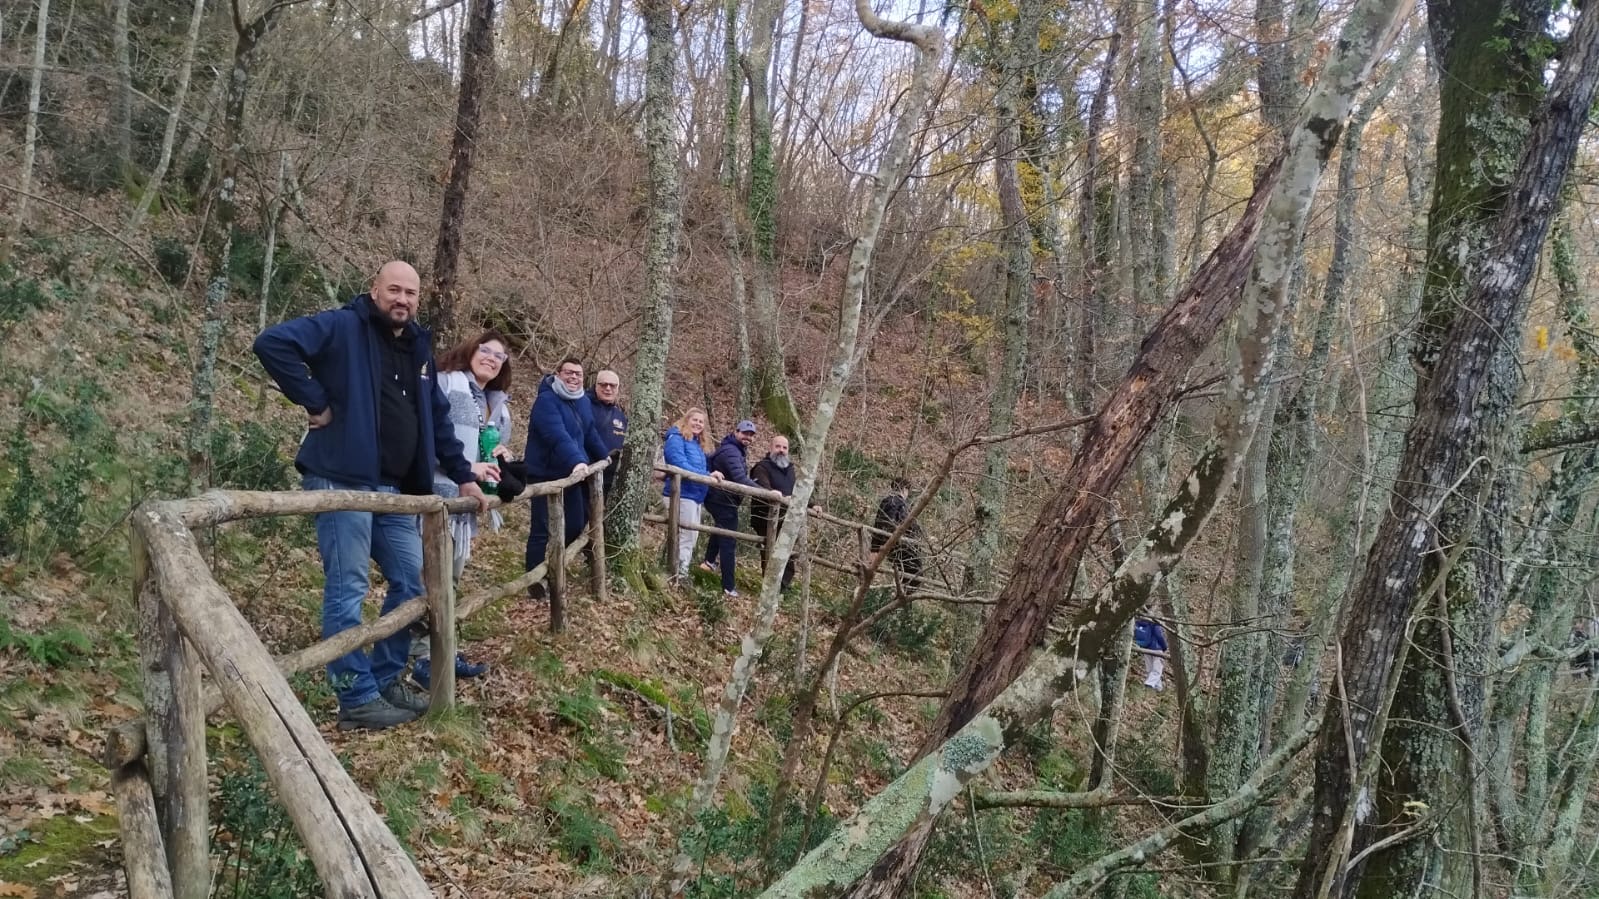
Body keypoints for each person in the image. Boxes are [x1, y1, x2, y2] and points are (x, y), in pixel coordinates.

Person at [252, 260, 487, 731]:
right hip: (342, 480)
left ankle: (382, 680)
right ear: (375, 289)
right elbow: (272, 343)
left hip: (396, 491)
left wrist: (463, 475)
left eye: (411, 293)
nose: (403, 300)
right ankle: (355, 697)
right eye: (394, 290)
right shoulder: (343, 327)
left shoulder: (417, 346)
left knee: (415, 582)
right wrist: (315, 401)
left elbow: (437, 418)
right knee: (349, 587)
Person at [412, 330, 519, 689]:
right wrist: (466, 467)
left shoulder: (496, 404)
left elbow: (491, 451)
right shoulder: (446, 383)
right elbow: (427, 436)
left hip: (466, 507)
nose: (491, 358)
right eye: (485, 350)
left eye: (499, 356)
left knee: (451, 580)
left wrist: (502, 457)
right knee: (430, 579)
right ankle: (422, 657)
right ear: (470, 350)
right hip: (438, 495)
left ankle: (444, 650)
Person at [524, 356, 609, 598]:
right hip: (545, 474)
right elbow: (556, 435)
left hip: (571, 476)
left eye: (578, 374)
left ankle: (555, 566)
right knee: (541, 529)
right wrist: (577, 461)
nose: (573, 377)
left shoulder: (582, 401)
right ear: (558, 375)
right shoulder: (546, 401)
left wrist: (605, 456)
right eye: (569, 372)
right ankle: (534, 580)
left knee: (575, 523)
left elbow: (589, 432)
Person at [701, 420, 782, 598]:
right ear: (736, 432)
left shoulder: (735, 450)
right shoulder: (731, 452)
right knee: (729, 540)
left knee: (721, 528)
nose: (748, 437)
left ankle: (709, 562)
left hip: (722, 498)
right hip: (721, 498)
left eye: (751, 435)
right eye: (745, 433)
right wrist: (767, 493)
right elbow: (739, 478)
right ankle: (728, 587)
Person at [661, 407, 719, 582]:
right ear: (686, 420)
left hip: (695, 495)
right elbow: (678, 463)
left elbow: (699, 466)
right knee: (685, 535)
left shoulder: (696, 444)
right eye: (695, 420)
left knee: (691, 536)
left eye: (701, 422)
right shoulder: (676, 438)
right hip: (681, 493)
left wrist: (709, 475)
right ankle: (678, 575)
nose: (698, 424)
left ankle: (680, 571)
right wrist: (706, 476)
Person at [749, 435, 796, 592]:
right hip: (765, 517)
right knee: (770, 551)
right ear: (771, 448)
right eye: (778, 446)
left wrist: (813, 504)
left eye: (784, 447)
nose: (781, 450)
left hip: (787, 518)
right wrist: (773, 494)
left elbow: (797, 491)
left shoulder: (790, 470)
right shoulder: (762, 467)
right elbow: (762, 486)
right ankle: (769, 587)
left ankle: (783, 587)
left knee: (788, 553)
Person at [872, 477, 925, 590]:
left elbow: (878, 524)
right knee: (915, 573)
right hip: (900, 544)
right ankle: (904, 595)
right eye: (908, 490)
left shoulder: (886, 502)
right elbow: (894, 523)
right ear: (904, 489)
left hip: (891, 544)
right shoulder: (897, 502)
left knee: (906, 572)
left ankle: (901, 592)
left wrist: (874, 548)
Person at [587, 369, 628, 498]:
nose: (608, 388)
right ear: (596, 385)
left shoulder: (620, 415)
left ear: (618, 388)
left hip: (613, 478)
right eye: (603, 384)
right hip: (589, 474)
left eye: (612, 385)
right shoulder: (585, 406)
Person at [1133, 615, 1168, 690]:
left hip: (1145, 648)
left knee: (1150, 669)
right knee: (1157, 669)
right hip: (1156, 648)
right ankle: (1149, 683)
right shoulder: (1153, 623)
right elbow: (1159, 636)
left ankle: (1158, 688)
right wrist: (1164, 647)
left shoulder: (1139, 623)